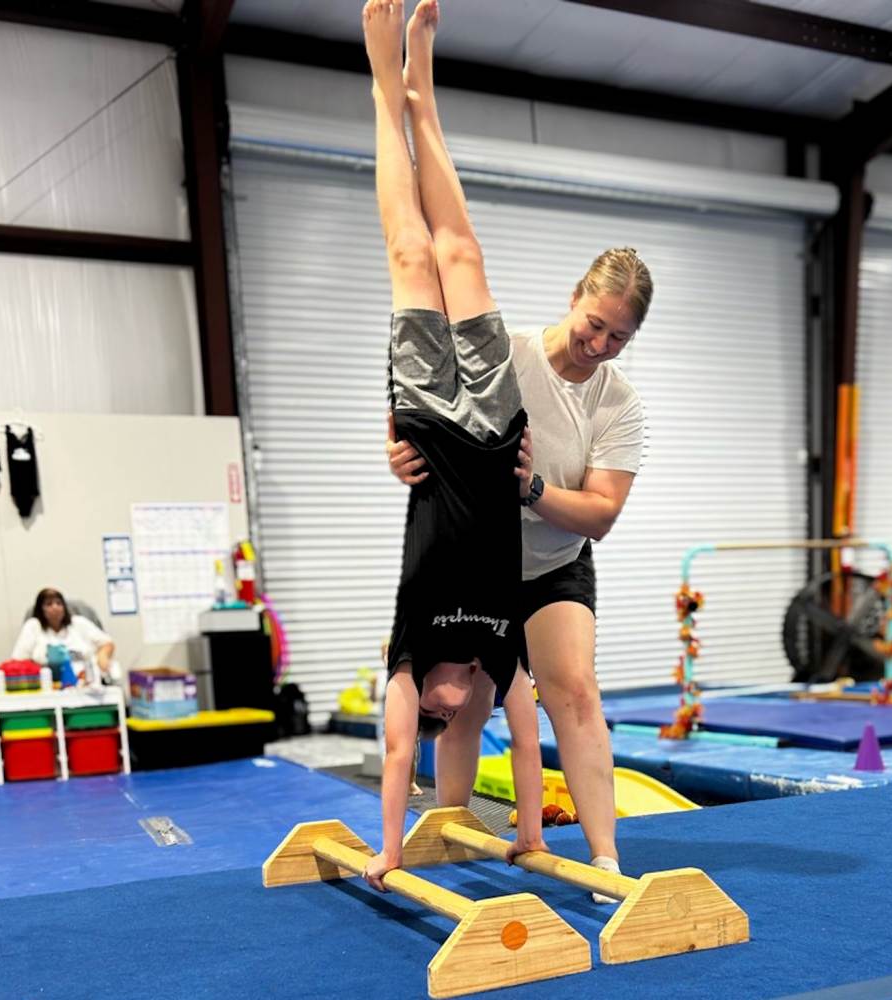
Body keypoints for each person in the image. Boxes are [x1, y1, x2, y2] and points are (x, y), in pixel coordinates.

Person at [389, 252, 654, 896]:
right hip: (479, 562)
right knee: (467, 701)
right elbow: (421, 408)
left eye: (618, 337)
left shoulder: (618, 402)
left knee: (574, 687)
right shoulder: (508, 353)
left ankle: (604, 859)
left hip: (555, 563)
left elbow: (600, 514)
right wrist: (400, 451)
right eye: (595, 325)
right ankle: (450, 825)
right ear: (574, 297)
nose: (599, 345)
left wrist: (531, 488)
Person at [359, 0, 547, 892]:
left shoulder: (405, 654)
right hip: (498, 431)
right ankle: (423, 92)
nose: (458, 701)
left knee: (408, 251)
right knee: (461, 252)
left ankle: (379, 81)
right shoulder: (499, 654)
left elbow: (393, 758)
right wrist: (535, 836)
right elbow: (525, 731)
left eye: (445, 710)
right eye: (459, 706)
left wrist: (391, 848)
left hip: (433, 426)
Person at [11, 588, 115, 685]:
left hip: (86, 683)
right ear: (40, 609)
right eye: (49, 604)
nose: (55, 607)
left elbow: (107, 643)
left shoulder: (79, 623)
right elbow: (18, 661)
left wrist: (103, 656)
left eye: (59, 603)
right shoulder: (33, 626)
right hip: (47, 685)